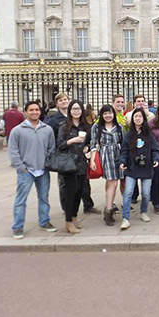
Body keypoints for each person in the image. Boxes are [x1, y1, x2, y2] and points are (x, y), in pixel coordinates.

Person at [8, 101, 57, 239]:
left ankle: (44, 221)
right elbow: (13, 150)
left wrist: (47, 162)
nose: (34, 112)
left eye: (36, 110)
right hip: (26, 171)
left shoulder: (47, 129)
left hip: (42, 170)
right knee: (21, 200)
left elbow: (51, 148)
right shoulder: (17, 130)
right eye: (31, 110)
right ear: (25, 112)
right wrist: (20, 167)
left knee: (44, 198)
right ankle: (17, 227)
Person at [119, 108, 159, 230]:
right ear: (132, 119)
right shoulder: (128, 135)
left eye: (140, 117)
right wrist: (122, 162)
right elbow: (124, 151)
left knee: (146, 193)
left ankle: (143, 211)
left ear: (144, 119)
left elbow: (155, 150)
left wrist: (156, 159)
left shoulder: (149, 135)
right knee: (127, 193)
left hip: (146, 167)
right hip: (132, 168)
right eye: (136, 116)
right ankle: (125, 218)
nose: (138, 119)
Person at [57, 100, 91, 234]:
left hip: (81, 163)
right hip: (69, 164)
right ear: (70, 111)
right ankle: (68, 222)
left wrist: (87, 147)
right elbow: (59, 145)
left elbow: (89, 143)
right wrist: (72, 140)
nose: (76, 111)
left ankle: (74, 217)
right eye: (74, 109)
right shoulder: (64, 127)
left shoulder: (85, 126)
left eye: (78, 109)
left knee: (79, 192)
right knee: (69, 193)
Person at [90, 104, 123, 226]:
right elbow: (93, 144)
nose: (108, 116)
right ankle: (108, 210)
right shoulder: (96, 127)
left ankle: (109, 206)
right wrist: (93, 160)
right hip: (106, 156)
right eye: (105, 113)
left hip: (117, 155)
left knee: (112, 182)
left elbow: (123, 142)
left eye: (110, 113)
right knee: (112, 182)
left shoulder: (118, 127)